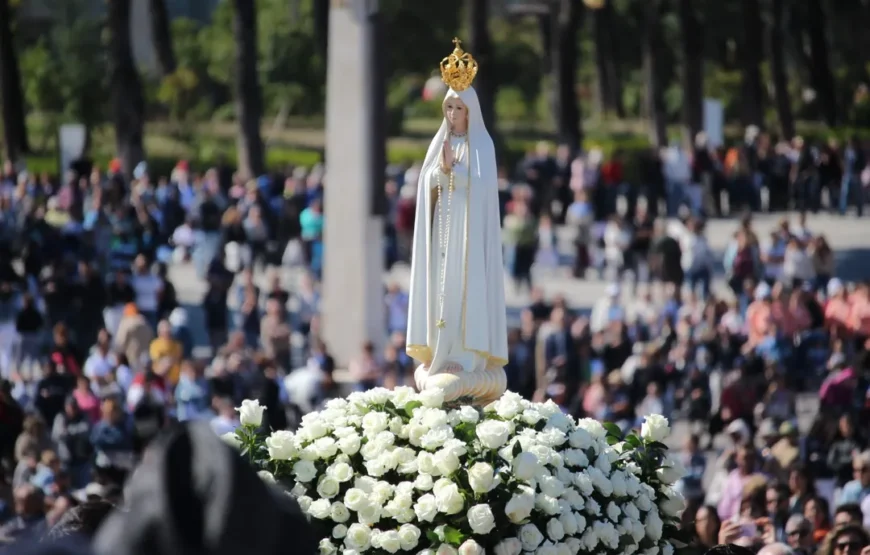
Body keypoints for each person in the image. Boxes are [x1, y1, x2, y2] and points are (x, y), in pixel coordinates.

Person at [406, 39, 508, 397]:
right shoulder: (440, 144)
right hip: (443, 234)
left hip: (469, 236)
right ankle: (441, 350)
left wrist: (455, 173)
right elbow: (426, 186)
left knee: (465, 292)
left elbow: (482, 191)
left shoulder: (482, 146)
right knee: (441, 291)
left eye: (457, 108)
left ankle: (464, 354)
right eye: (447, 108)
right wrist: (439, 173)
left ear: (470, 112)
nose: (451, 115)